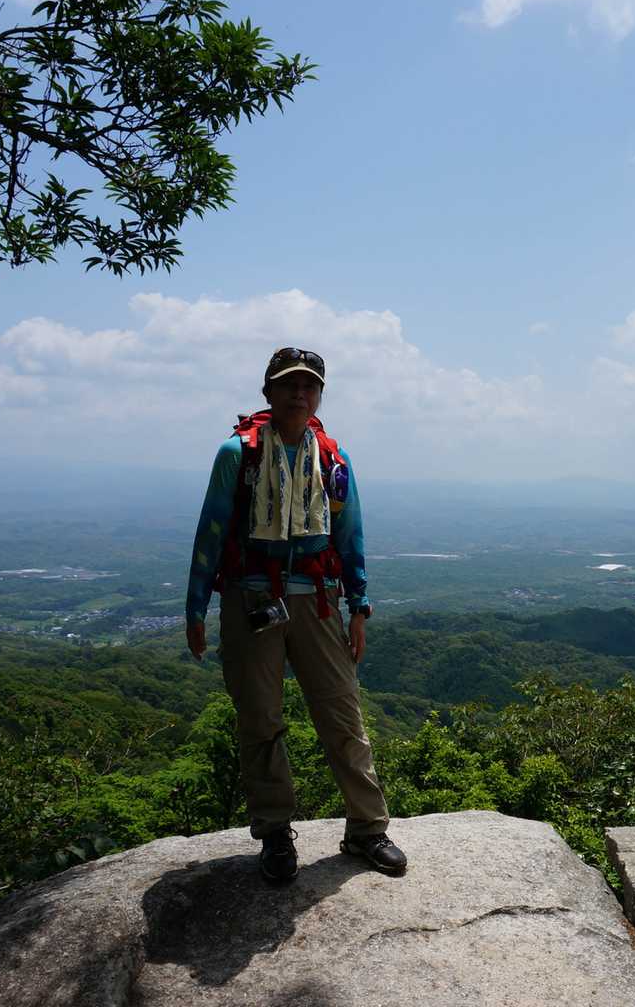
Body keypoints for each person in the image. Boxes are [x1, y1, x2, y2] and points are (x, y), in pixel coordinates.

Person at [184, 347, 406, 881]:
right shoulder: (237, 454)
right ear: (268, 391)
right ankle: (275, 833)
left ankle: (367, 829)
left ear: (320, 395)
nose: (299, 394)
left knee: (342, 714)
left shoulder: (332, 458)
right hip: (250, 598)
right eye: (288, 384)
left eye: (309, 386)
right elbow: (211, 530)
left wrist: (360, 606)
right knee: (260, 720)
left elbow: (349, 533)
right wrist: (196, 607)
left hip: (317, 598)